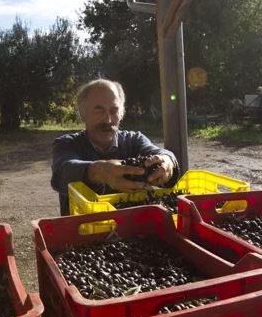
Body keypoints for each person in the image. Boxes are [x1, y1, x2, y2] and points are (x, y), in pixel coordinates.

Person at [51, 79, 180, 215]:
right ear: (83, 114)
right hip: (83, 230)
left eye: (114, 111)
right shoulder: (67, 144)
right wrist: (100, 171)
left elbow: (158, 152)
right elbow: (61, 173)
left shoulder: (134, 140)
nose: (108, 120)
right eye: (99, 110)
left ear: (122, 113)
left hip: (132, 228)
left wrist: (168, 161)